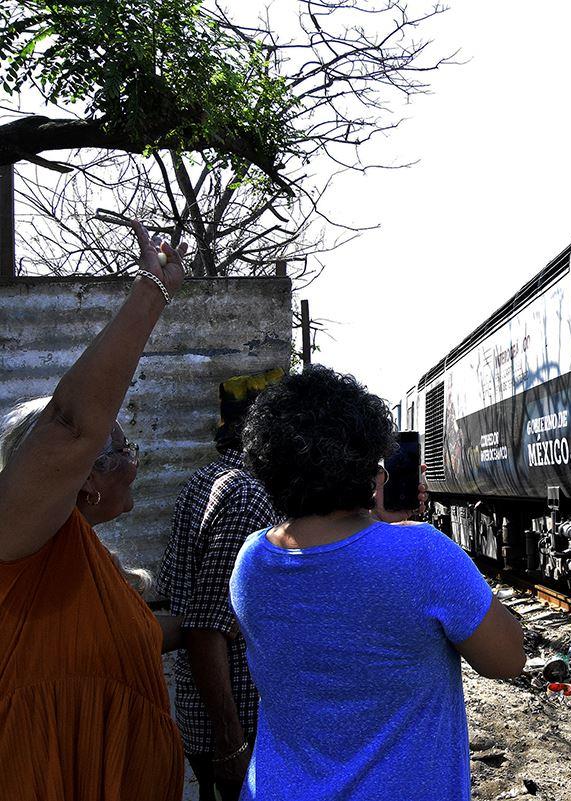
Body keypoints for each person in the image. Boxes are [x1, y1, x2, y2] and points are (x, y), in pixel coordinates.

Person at [230, 365, 526, 801]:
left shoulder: (251, 561)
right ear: (370, 468)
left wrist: (373, 527)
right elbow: (507, 659)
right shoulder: (423, 554)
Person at [0, 222, 188, 800]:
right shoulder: (19, 543)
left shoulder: (85, 560)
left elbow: (113, 642)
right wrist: (150, 292)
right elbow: (72, 426)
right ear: (83, 483)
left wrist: (221, 619)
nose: (136, 462)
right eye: (124, 450)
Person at [160, 368, 284, 801]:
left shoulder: (202, 481)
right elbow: (205, 625)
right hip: (236, 722)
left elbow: (178, 598)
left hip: (204, 718)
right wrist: (230, 737)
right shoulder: (250, 494)